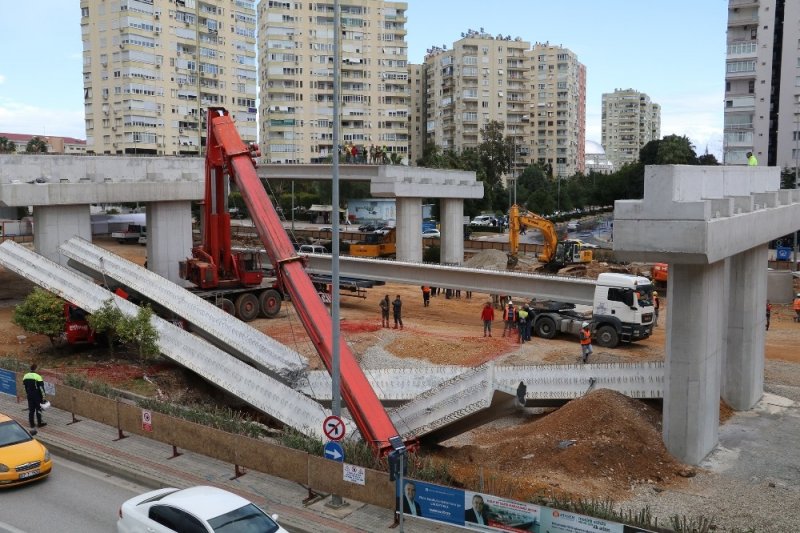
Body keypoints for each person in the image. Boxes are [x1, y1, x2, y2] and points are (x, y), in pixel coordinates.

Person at [23, 363, 47, 429]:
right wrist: (44, 398)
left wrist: (28, 393)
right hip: (37, 395)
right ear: (36, 369)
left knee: (31, 410)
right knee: (38, 409)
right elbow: (41, 388)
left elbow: (25, 386)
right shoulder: (38, 376)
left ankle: (32, 424)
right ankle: (39, 423)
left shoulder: (25, 376)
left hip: (29, 395)